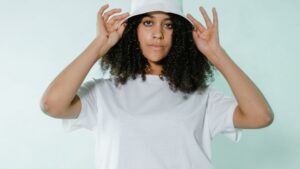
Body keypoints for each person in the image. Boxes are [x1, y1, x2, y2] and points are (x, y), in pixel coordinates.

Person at [40, 0, 274, 168]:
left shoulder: (202, 98)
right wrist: (99, 46)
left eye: (169, 24)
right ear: (134, 31)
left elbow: (261, 116)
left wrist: (216, 53)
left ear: (179, 34)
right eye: (148, 23)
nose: (158, 34)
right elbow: (52, 104)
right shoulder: (103, 93)